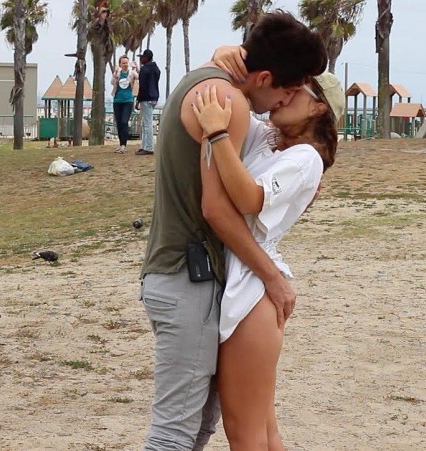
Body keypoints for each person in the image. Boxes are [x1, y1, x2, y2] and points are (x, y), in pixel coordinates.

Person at [139, 11, 327, 450]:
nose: (286, 99)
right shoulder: (229, 104)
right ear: (264, 78)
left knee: (197, 429)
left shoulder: (208, 83)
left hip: (182, 274)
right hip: (188, 277)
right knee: (175, 435)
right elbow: (218, 209)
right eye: (289, 89)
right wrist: (273, 277)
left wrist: (226, 54)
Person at [191, 70, 343, 449]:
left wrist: (217, 133)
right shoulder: (272, 142)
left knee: (245, 435)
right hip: (248, 283)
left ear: (318, 107)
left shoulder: (306, 158)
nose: (284, 95)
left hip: (252, 292)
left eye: (295, 90)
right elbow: (242, 99)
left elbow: (249, 199)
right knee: (263, 433)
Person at [135, 49, 160, 156]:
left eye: (142, 57)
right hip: (154, 97)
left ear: (146, 58)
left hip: (146, 97)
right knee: (146, 123)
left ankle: (148, 147)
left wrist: (138, 100)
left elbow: (142, 87)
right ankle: (144, 146)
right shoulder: (156, 69)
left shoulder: (144, 70)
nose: (141, 59)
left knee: (147, 124)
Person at [111, 55, 138, 154]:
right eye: (123, 63)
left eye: (126, 63)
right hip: (117, 101)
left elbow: (138, 77)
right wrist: (115, 74)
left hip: (128, 101)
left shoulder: (131, 73)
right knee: (119, 123)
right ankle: (120, 144)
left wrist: (136, 68)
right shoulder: (118, 73)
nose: (125, 65)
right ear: (120, 64)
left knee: (124, 122)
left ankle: (124, 145)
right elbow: (112, 82)